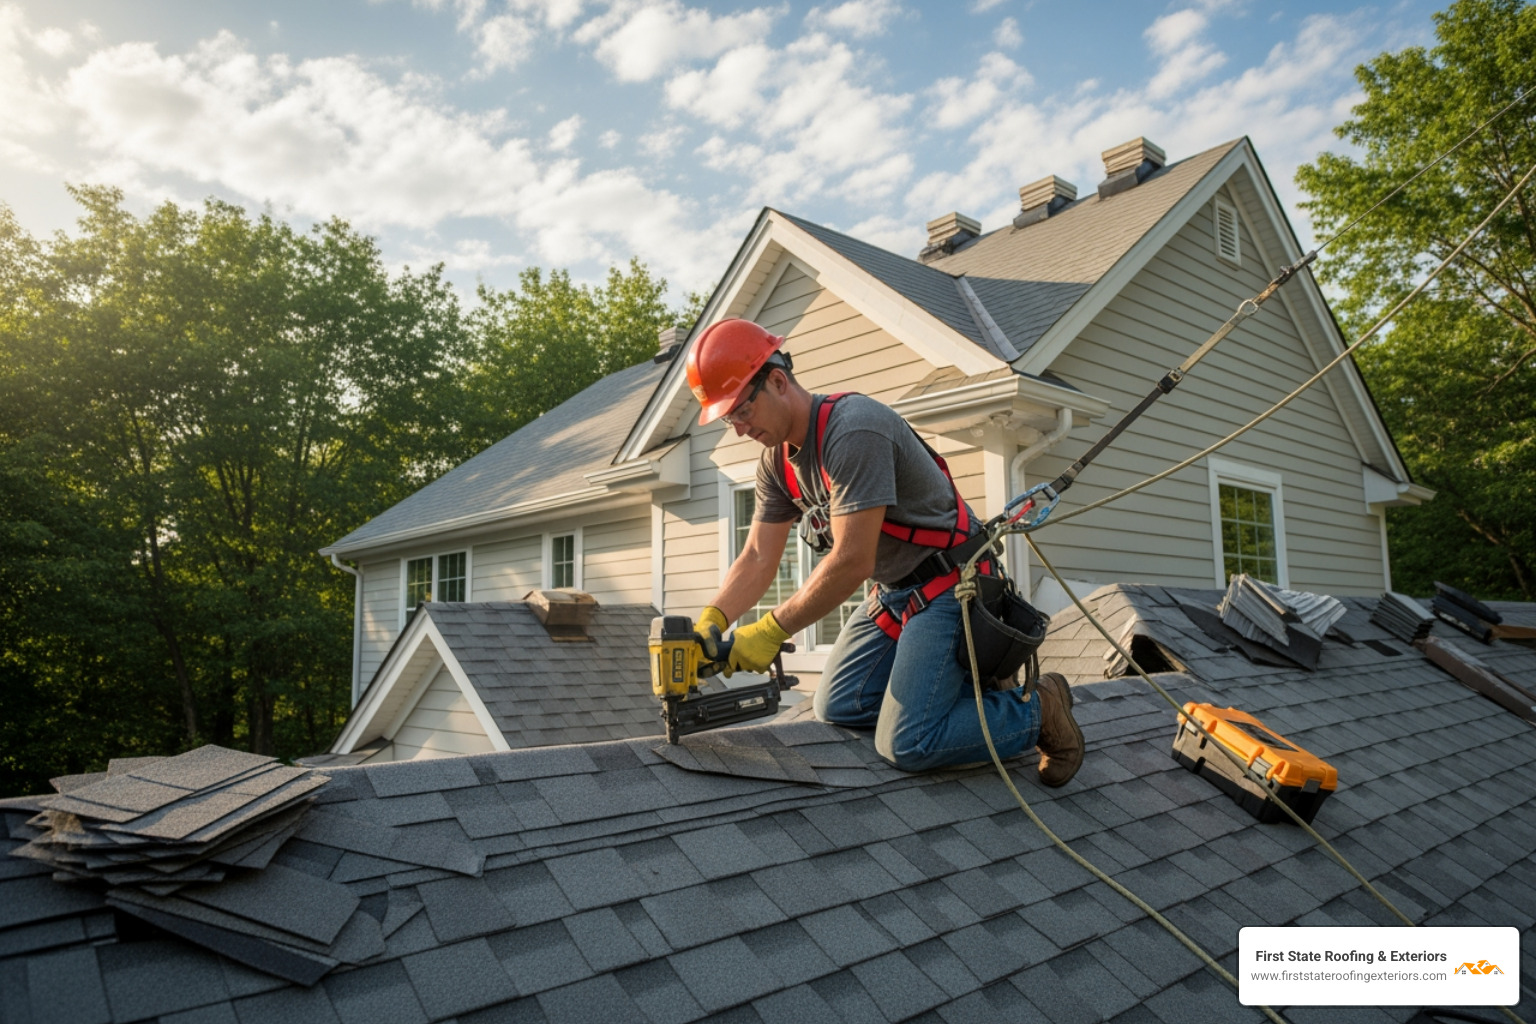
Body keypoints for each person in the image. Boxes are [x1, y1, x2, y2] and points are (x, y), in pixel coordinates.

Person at [687, 318, 1084, 783]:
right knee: (838, 703)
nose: (738, 429)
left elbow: (854, 559)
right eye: (729, 419)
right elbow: (757, 554)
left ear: (777, 381)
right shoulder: (777, 464)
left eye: (741, 411)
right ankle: (965, 706)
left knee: (907, 742)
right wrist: (711, 621)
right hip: (895, 595)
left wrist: (771, 630)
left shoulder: (854, 431)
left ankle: (1042, 708)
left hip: (952, 586)